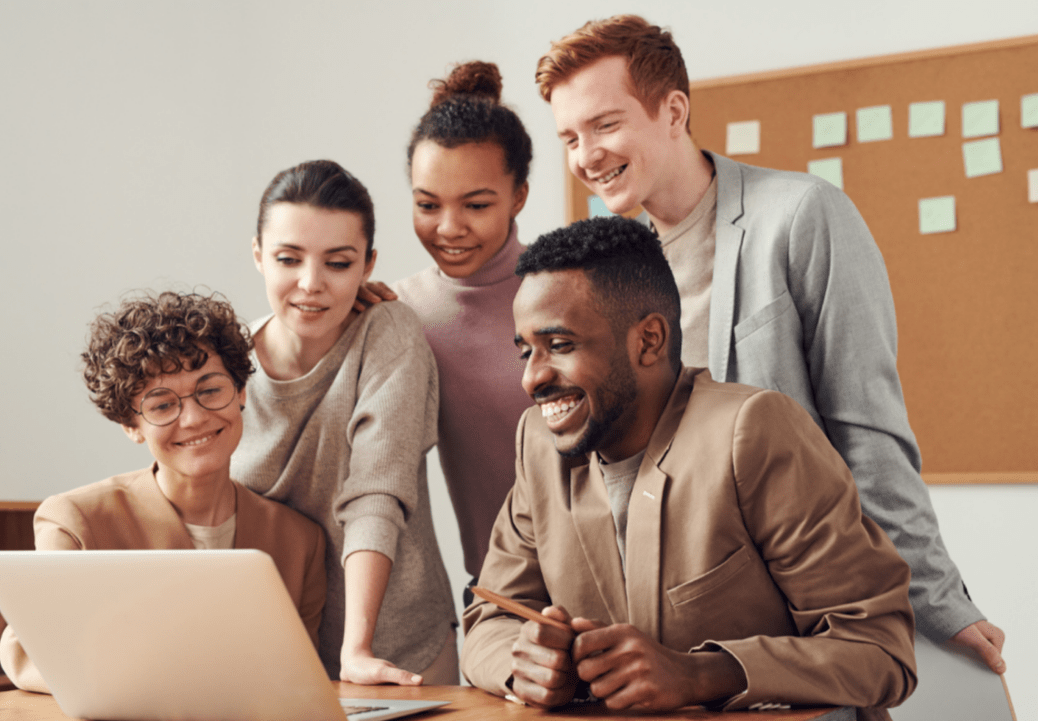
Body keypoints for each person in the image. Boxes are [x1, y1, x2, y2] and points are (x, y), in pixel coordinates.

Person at [535, 14, 1005, 673]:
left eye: (604, 125)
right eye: (568, 137)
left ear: (672, 110)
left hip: (799, 622)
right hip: (661, 632)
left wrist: (937, 601)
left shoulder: (800, 216)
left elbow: (866, 432)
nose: (585, 156)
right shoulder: (606, 272)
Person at [461, 216, 917, 714]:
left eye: (561, 346)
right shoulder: (539, 444)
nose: (532, 378)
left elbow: (880, 650)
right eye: (526, 350)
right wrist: (523, 663)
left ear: (649, 341)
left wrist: (701, 674)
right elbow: (488, 618)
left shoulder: (753, 432)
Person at [0, 291, 328, 694]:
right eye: (161, 405)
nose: (193, 418)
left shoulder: (299, 541)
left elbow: (298, 680)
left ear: (241, 393)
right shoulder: (76, 522)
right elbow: (30, 655)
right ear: (130, 425)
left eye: (210, 390)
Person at [229, 160, 456, 685]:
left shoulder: (388, 332)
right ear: (260, 256)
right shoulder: (226, 360)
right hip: (272, 655)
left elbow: (376, 490)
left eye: (337, 263)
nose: (311, 284)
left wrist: (357, 649)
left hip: (395, 648)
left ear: (367, 266)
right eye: (289, 259)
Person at [392, 61, 534, 596]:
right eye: (428, 205)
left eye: (476, 205)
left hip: (618, 581)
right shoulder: (400, 311)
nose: (448, 228)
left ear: (519, 195)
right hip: (501, 594)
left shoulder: (569, 290)